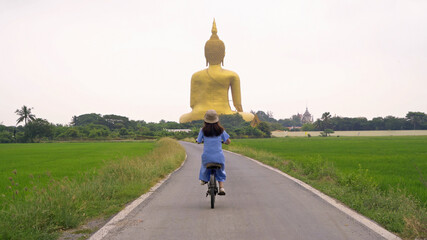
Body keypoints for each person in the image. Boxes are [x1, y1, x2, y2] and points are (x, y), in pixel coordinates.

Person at [196, 109, 230, 195]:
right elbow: (228, 141)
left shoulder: (203, 130)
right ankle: (221, 187)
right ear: (216, 119)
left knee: (204, 166)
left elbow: (199, 141)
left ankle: (204, 179)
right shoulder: (221, 130)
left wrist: (198, 141)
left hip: (207, 157)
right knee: (220, 170)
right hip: (219, 157)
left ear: (205, 120)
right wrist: (225, 142)